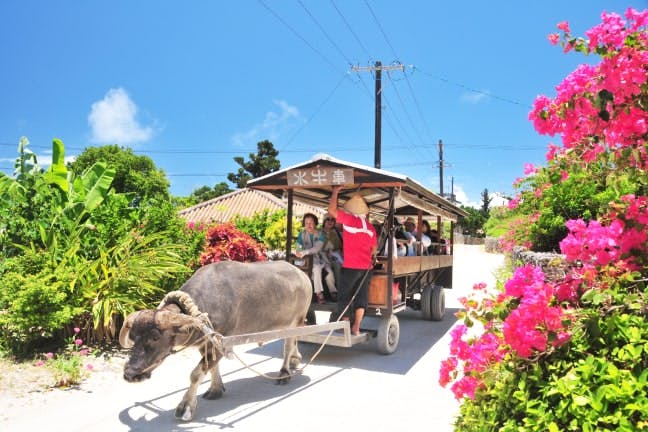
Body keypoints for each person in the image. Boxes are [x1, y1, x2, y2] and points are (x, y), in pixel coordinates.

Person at [328, 186, 377, 335]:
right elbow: (374, 250)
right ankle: (356, 327)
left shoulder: (350, 220)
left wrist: (335, 192)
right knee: (361, 296)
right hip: (366, 267)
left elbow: (332, 211)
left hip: (351, 267)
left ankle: (345, 325)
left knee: (344, 295)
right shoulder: (370, 227)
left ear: (352, 211)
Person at [294, 213, 337, 304]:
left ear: (315, 223)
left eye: (311, 223)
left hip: (321, 259)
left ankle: (333, 293)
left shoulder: (321, 234)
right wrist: (298, 252)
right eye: (306, 223)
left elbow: (317, 248)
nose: (309, 225)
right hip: (307, 260)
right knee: (316, 269)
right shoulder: (302, 234)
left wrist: (304, 252)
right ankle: (319, 294)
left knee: (329, 274)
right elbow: (298, 247)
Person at [321, 213, 343, 295]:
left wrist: (333, 251)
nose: (330, 222)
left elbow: (339, 246)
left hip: (334, 258)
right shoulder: (319, 232)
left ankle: (340, 291)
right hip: (322, 259)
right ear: (324, 221)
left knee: (338, 267)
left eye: (332, 220)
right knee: (329, 273)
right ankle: (333, 292)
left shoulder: (335, 233)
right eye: (328, 219)